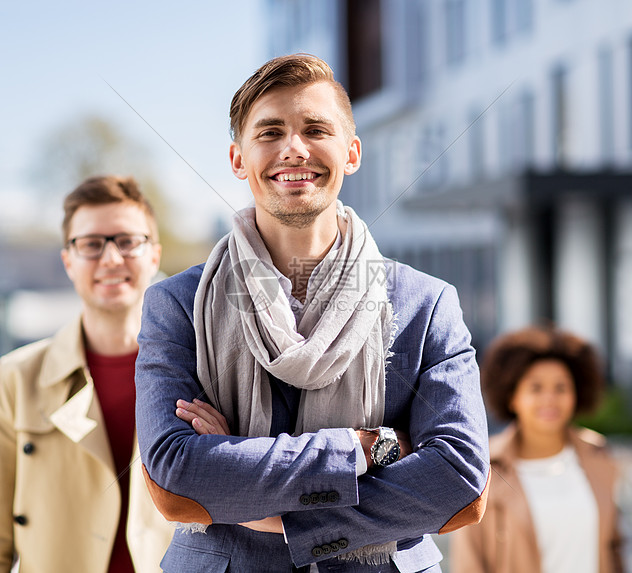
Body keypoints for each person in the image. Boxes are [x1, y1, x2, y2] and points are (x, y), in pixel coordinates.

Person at [135, 53, 490, 573]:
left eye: (315, 129)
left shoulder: (426, 303)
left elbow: (460, 483)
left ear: (351, 153)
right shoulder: (175, 306)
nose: (294, 149)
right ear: (238, 159)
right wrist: (367, 449)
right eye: (270, 132)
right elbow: (174, 480)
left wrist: (263, 502)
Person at [0, 175, 174, 572]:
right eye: (92, 244)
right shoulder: (18, 376)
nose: (111, 259)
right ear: (68, 261)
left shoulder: (200, 369)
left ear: (154, 255)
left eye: (127, 241)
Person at [452, 326, 624, 573]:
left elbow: (614, 549)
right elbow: (470, 564)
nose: (549, 399)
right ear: (513, 397)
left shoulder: (599, 456)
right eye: (536, 388)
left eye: (561, 388)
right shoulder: (482, 468)